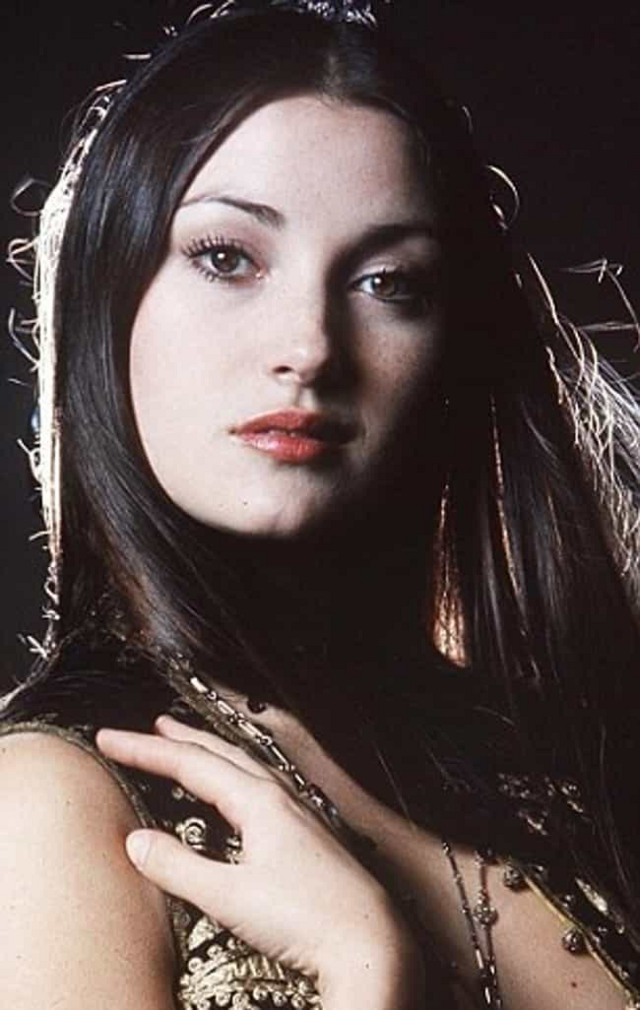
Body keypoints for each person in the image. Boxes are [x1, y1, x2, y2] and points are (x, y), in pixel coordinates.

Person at [1, 2, 639, 1007]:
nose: (309, 345)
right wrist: (366, 972)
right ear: (106, 295)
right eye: (227, 257)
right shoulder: (50, 804)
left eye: (387, 281)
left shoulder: (553, 764)